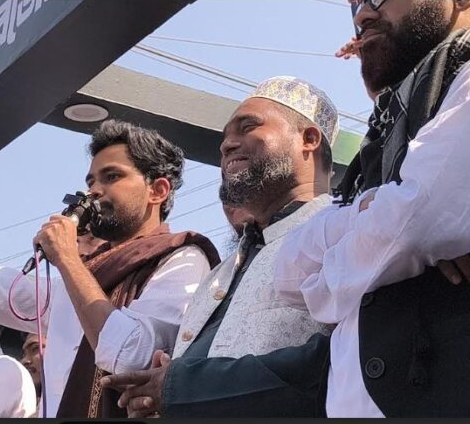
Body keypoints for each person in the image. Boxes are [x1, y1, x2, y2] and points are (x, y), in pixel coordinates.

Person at [0, 114, 221, 418]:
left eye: (111, 177)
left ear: (158, 190)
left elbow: (133, 356)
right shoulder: (76, 279)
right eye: (91, 181)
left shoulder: (182, 258)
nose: (93, 191)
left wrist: (66, 258)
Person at [273, 0, 470, 417]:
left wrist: (328, 278)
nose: (361, 15)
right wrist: (371, 210)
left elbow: (418, 221)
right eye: (354, 2)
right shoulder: (383, 138)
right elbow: (287, 274)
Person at [102, 76, 341, 417]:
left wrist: (182, 387)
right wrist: (164, 395)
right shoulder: (218, 275)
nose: (226, 145)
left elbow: (341, 362)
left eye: (248, 127)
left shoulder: (347, 234)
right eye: (225, 136)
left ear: (308, 139)